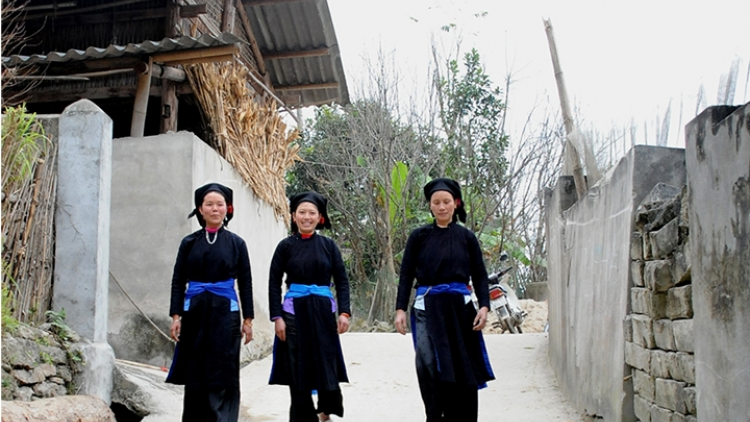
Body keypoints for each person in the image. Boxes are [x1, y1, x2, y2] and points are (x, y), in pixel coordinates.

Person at [394, 178, 495, 422]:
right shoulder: (418, 237)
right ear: (430, 206)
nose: (441, 207)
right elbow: (406, 274)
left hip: (460, 309)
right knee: (427, 363)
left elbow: (479, 274)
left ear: (455, 203)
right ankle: (434, 415)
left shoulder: (466, 237)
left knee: (462, 366)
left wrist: (484, 306)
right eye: (436, 202)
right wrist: (399, 309)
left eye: (446, 202)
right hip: (426, 308)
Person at [166, 183, 254, 422]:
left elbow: (245, 283)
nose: (215, 209)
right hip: (194, 312)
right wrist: (176, 317)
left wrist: (248, 321)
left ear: (228, 209)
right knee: (195, 368)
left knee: (223, 368)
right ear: (200, 209)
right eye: (209, 204)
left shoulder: (237, 243)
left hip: (226, 313)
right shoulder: (189, 243)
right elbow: (178, 281)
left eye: (220, 204)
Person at [268, 191, 351, 422]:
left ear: (320, 217)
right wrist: (277, 317)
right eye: (302, 212)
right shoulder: (285, 246)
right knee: (297, 368)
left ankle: (326, 411)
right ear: (294, 216)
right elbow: (274, 282)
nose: (307, 217)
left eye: (311, 213)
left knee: (326, 363)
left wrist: (344, 312)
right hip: (293, 313)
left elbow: (342, 281)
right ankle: (303, 416)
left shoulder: (328, 246)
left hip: (324, 313)